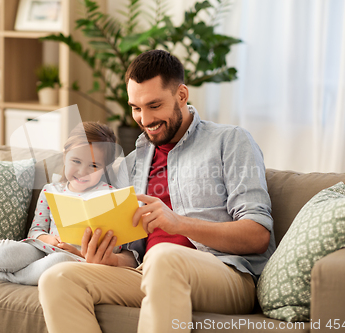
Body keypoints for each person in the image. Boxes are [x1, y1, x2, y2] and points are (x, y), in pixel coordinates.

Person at [38, 50, 276, 332]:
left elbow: (258, 235)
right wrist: (109, 259)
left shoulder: (230, 141)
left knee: (163, 255)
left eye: (154, 105)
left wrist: (178, 223)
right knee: (57, 278)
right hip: (149, 271)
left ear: (182, 95)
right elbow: (135, 252)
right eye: (135, 107)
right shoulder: (133, 163)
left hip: (227, 275)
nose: (144, 118)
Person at [0, 122, 119, 286]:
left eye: (93, 166)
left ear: (105, 168)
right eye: (76, 161)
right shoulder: (51, 190)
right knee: (4, 250)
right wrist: (48, 240)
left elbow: (116, 247)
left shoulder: (110, 197)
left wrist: (77, 251)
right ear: (65, 156)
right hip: (41, 249)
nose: (82, 171)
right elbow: (34, 231)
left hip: (75, 259)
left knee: (59, 262)